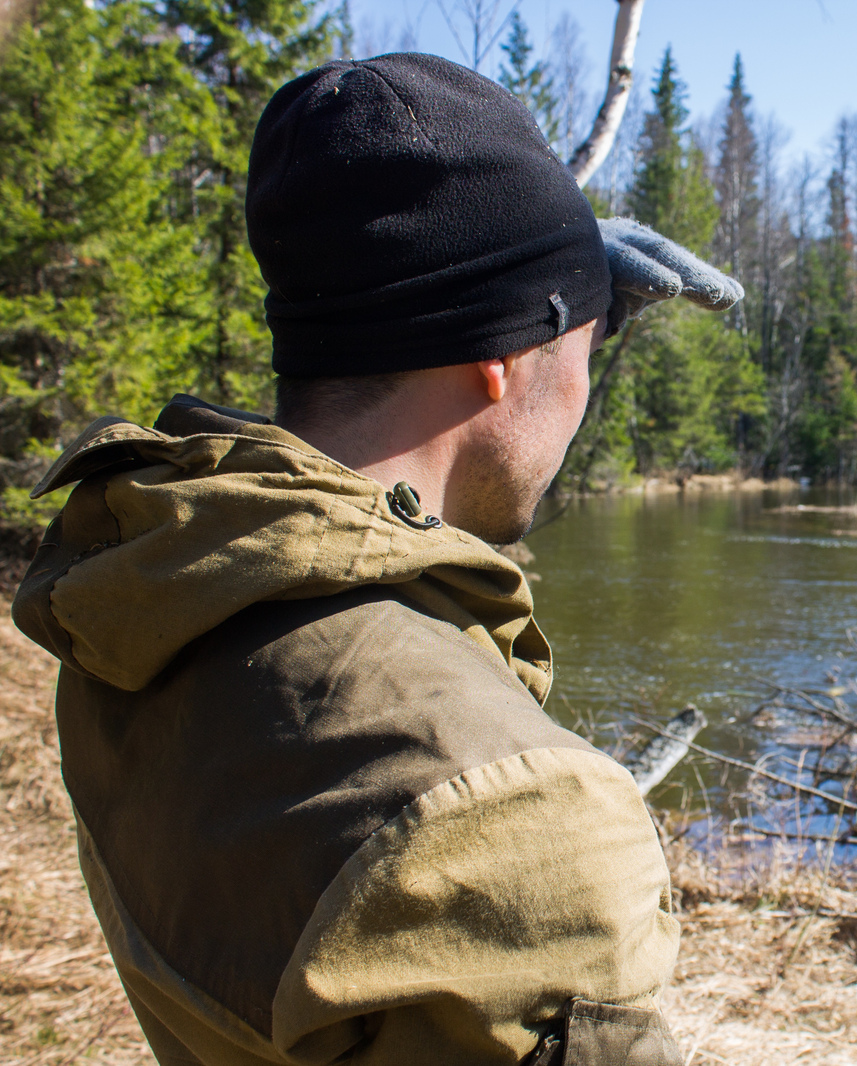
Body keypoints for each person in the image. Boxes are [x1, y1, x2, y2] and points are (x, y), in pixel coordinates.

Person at [11, 53, 741, 1066]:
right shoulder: (518, 815)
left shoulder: (137, 592)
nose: (581, 391)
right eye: (583, 346)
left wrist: (556, 299)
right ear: (500, 364)